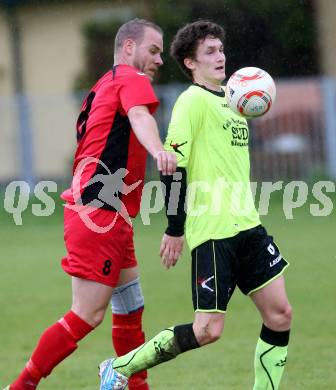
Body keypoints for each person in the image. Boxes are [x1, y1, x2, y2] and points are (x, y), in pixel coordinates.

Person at [97, 20, 292, 390]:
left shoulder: (236, 105)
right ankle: (120, 367)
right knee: (207, 330)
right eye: (210, 52)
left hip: (248, 226)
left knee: (280, 314)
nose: (221, 57)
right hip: (214, 232)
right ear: (190, 63)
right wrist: (175, 228)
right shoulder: (192, 101)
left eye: (221, 50)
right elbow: (174, 168)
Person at [3, 18, 177, 390]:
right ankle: (21, 386)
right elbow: (139, 116)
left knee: (130, 310)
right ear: (128, 47)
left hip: (107, 211)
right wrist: (158, 149)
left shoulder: (103, 85)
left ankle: (135, 384)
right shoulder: (131, 80)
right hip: (99, 211)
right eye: (153, 50)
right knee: (87, 314)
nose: (159, 59)